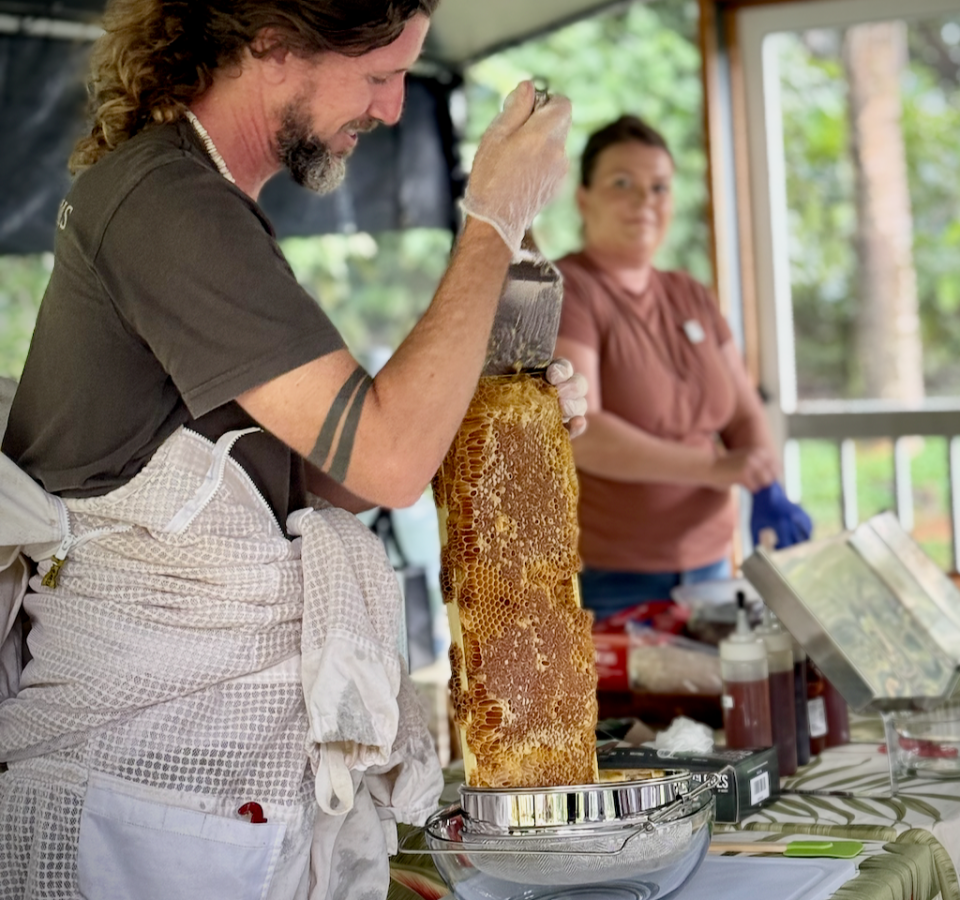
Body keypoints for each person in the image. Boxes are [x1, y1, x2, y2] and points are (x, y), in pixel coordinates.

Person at [0, 1, 585, 897]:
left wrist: (484, 404)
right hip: (143, 795)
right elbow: (387, 459)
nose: (392, 109)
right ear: (272, 45)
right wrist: (492, 221)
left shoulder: (205, 204)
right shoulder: (164, 203)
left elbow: (322, 477)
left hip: (201, 799)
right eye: (379, 75)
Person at [554, 115, 806, 620]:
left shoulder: (690, 293)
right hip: (613, 577)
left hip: (713, 566)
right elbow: (583, 431)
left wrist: (764, 477)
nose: (644, 201)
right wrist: (715, 468)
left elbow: (742, 412)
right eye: (622, 183)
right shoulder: (569, 290)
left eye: (659, 187)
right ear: (583, 198)